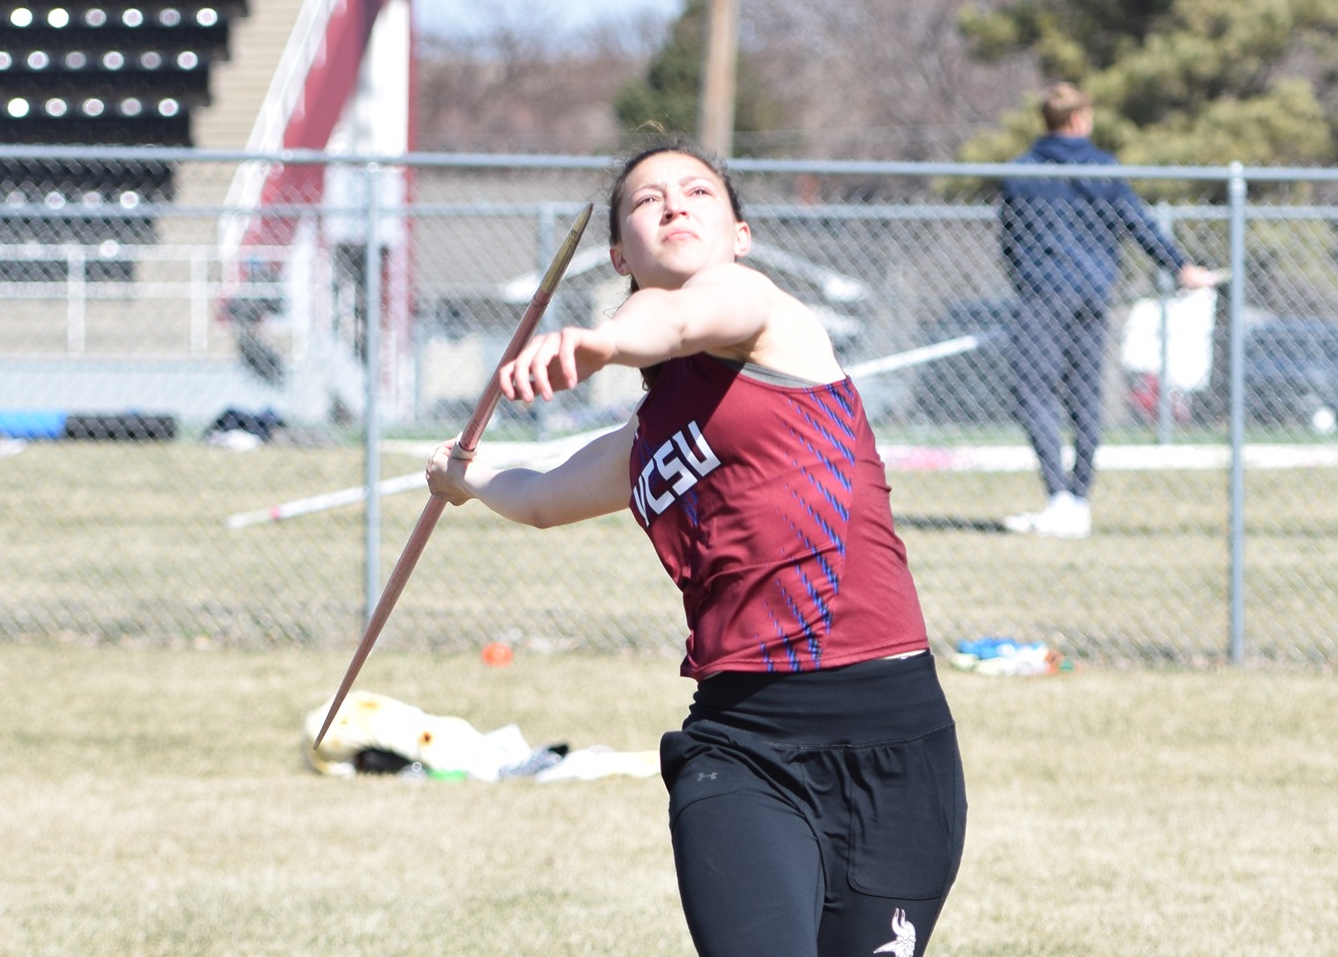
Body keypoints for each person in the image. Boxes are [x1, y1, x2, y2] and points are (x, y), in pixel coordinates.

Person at [425, 140, 967, 957]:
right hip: (740, 743)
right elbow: (541, 499)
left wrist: (601, 343)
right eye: (647, 201)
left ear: (739, 234)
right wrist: (467, 479)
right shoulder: (646, 434)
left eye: (695, 192)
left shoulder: (766, 315)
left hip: (890, 740)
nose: (673, 205)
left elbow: (674, 318)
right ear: (619, 253)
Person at [998, 82, 1215, 538]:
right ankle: (1075, 498)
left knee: (1036, 391)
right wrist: (1180, 266)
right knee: (1083, 393)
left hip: (1042, 293)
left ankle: (1062, 497)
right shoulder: (1099, 169)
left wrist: (1025, 276)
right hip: (1090, 294)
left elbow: (1010, 237)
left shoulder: (1022, 170)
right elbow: (1137, 222)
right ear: (1079, 120)